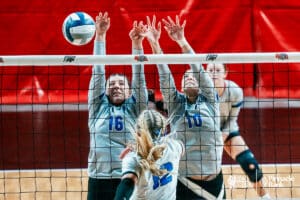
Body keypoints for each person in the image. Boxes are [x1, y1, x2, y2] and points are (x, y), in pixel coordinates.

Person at [144, 15, 225, 199]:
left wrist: (182, 41)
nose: (189, 77)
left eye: (192, 76)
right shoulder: (176, 105)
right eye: (184, 77)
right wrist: (155, 44)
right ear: (180, 87)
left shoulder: (210, 100)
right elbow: (165, 76)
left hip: (215, 182)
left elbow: (198, 69)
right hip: (185, 182)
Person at [87, 12, 148, 200]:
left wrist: (137, 45)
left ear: (130, 92)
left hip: (128, 176)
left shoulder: (135, 108)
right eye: (111, 84)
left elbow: (138, 78)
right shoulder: (98, 108)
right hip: (99, 178)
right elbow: (98, 70)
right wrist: (100, 35)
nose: (115, 86)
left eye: (121, 84)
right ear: (104, 91)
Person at [206, 63, 271, 199]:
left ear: (225, 73)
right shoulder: (200, 91)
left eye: (218, 70)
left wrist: (223, 135)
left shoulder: (234, 91)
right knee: (203, 173)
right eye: (210, 70)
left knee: (250, 165)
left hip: (227, 130)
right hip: (204, 134)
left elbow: (232, 119)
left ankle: (265, 197)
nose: (213, 73)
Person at [114, 109, 184, 200]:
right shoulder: (175, 147)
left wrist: (138, 146)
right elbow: (182, 149)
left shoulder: (134, 157)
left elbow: (127, 182)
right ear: (163, 129)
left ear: (138, 131)